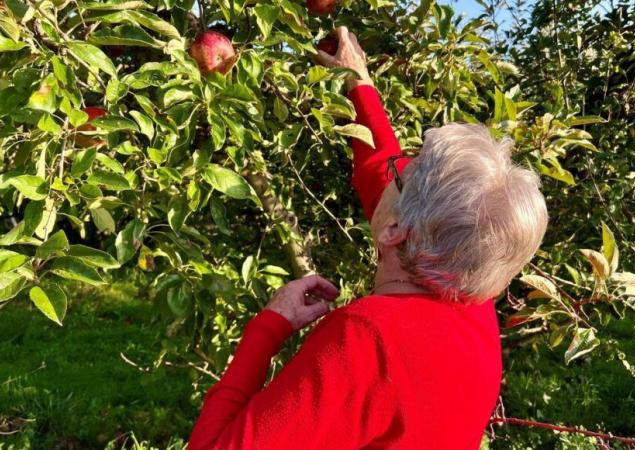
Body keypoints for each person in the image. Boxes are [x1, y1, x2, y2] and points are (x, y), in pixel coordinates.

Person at [188, 26, 549, 449]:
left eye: (404, 174)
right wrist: (357, 82)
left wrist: (268, 327)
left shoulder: (365, 340)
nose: (396, 167)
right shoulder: (472, 298)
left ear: (395, 230)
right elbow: (383, 168)